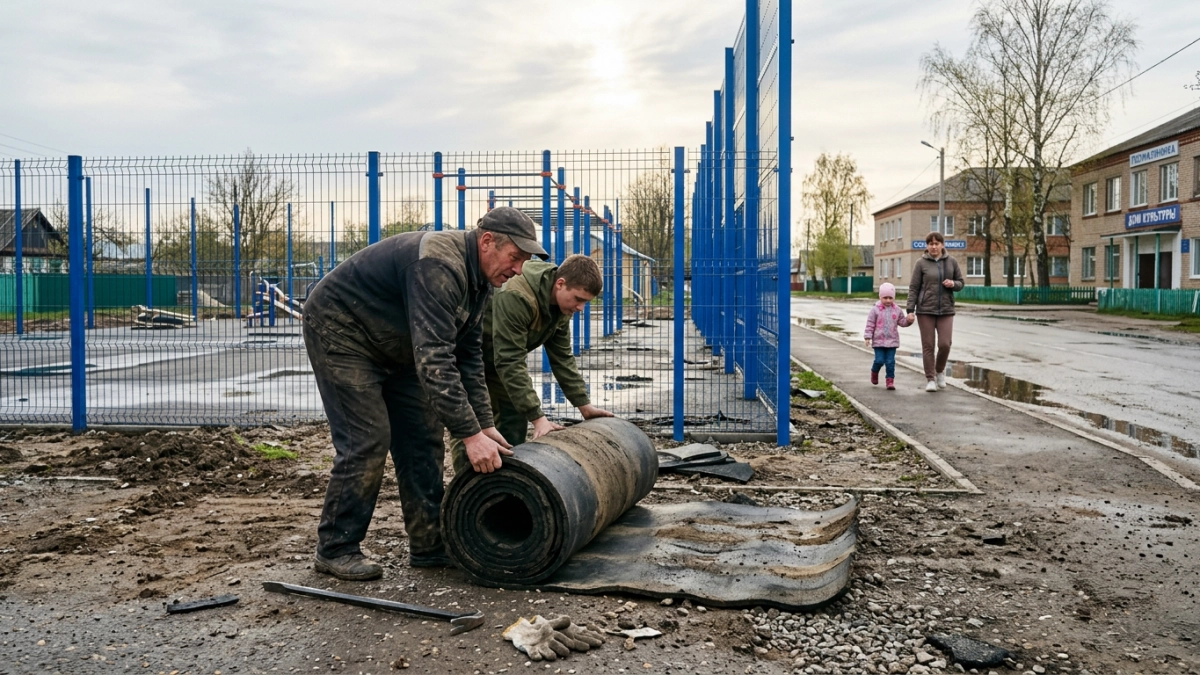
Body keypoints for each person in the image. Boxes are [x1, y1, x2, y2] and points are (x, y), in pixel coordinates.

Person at [302, 206, 548, 580]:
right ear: (487, 242)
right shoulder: (438, 265)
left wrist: (484, 425)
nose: (518, 270)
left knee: (423, 436)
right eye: (515, 257)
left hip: (397, 344)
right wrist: (469, 435)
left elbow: (468, 355)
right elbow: (435, 358)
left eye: (524, 261)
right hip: (344, 331)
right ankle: (336, 547)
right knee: (367, 438)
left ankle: (429, 544)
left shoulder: (480, 280)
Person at [448, 254, 613, 475]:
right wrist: (538, 418)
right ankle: (465, 487)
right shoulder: (518, 294)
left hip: (498, 360)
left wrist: (584, 405)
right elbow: (509, 360)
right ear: (560, 284)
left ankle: (504, 484)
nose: (580, 308)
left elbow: (562, 357)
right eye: (578, 299)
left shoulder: (561, 305)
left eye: (585, 302)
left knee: (513, 421)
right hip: (469, 360)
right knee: (473, 426)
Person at [905, 231, 964, 392]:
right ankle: (930, 379)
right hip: (925, 310)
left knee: (945, 344)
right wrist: (910, 309)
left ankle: (939, 371)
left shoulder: (951, 262)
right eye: (930, 244)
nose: (934, 246)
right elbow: (914, 287)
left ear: (942, 245)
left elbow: (961, 282)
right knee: (928, 345)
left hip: (946, 309)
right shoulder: (921, 263)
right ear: (927, 246)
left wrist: (953, 283)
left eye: (937, 243)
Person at [863, 282, 912, 390]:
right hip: (878, 341)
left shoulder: (897, 310)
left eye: (891, 298)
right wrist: (868, 337)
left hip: (892, 341)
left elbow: (902, 322)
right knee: (879, 360)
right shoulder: (875, 310)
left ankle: (890, 381)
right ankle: (874, 371)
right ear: (880, 297)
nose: (888, 300)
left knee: (890, 362)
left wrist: (909, 321)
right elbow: (870, 324)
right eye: (885, 298)